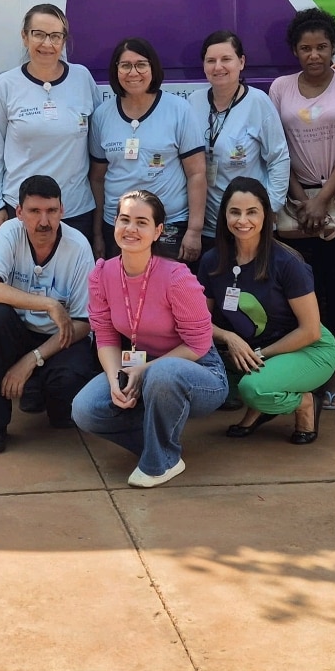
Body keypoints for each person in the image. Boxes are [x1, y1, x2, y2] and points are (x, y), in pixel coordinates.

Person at [71, 190, 224, 487]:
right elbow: (104, 335)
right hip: (139, 364)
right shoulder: (102, 274)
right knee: (85, 409)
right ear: (114, 223)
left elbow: (199, 344)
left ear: (157, 231)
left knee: (163, 374)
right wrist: (117, 379)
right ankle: (161, 444)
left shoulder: (176, 277)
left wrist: (145, 370)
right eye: (125, 219)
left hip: (198, 370)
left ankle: (159, 462)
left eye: (142, 222)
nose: (131, 229)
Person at [268, 8, 335, 410]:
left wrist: (323, 198)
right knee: (297, 289)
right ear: (295, 51)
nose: (314, 55)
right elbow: (279, 148)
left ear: (333, 48)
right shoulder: (280, 87)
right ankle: (300, 372)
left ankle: (334, 376)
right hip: (296, 196)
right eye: (305, 48)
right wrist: (300, 197)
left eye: (322, 47)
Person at [199, 176, 335, 445]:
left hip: (308, 348)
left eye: (252, 212)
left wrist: (261, 355)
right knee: (205, 381)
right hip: (249, 349)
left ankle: (304, 403)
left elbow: (310, 330)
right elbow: (201, 321)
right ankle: (261, 399)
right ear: (224, 215)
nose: (243, 220)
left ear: (266, 216)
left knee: (251, 387)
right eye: (235, 212)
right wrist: (229, 338)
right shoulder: (212, 261)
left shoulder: (286, 262)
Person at [0, 174, 101, 453]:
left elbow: (83, 323)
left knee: (66, 402)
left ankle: (41, 389)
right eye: (34, 211)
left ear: (62, 211)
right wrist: (48, 304)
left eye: (51, 211)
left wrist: (32, 360)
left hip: (58, 339)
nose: (44, 221)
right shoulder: (9, 232)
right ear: (19, 212)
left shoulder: (78, 246)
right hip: (17, 333)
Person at [0, 4, 100, 243]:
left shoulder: (82, 78)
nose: (47, 44)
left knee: (76, 280)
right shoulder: (7, 84)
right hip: (23, 210)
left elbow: (99, 147)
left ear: (64, 41)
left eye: (55, 36)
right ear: (25, 36)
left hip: (75, 210)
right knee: (20, 280)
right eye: (38, 34)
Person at [88, 37, 207, 260]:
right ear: (116, 71)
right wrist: (97, 234)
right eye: (125, 65)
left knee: (166, 292)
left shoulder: (179, 110)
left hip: (168, 225)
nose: (133, 72)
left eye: (141, 64)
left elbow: (197, 173)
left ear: (153, 67)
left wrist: (194, 230)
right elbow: (97, 178)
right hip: (119, 226)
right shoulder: (102, 115)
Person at [188, 30, 290, 237]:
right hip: (208, 224)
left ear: (241, 62)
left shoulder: (258, 102)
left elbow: (279, 158)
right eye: (211, 60)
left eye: (226, 59)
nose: (218, 67)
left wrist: (271, 207)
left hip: (249, 224)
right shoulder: (193, 102)